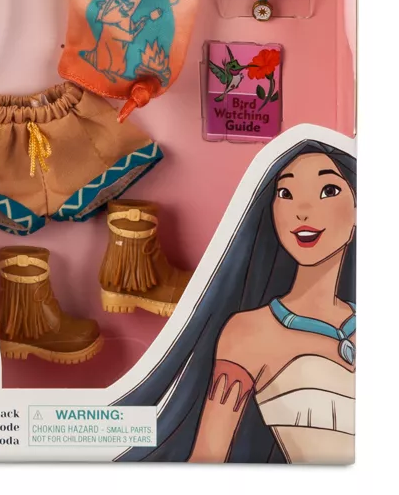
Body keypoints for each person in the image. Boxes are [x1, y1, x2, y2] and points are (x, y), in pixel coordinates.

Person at [116, 138, 356, 464]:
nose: (302, 210)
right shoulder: (248, 332)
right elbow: (207, 458)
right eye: (285, 193)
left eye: (328, 190)